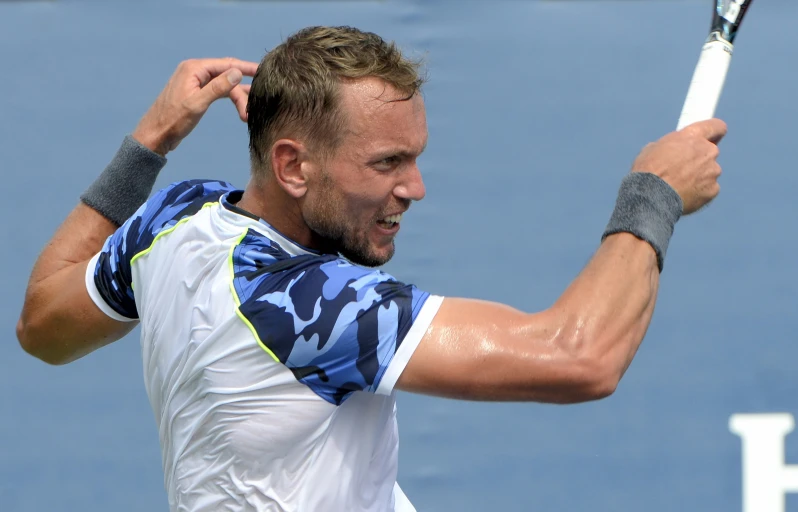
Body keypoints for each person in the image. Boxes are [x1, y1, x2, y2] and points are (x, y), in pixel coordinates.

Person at [16, 25, 726, 512]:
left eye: (415, 156)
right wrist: (654, 192)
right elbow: (582, 355)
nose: (414, 188)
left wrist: (151, 139)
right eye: (387, 163)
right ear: (293, 164)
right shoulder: (312, 308)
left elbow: (43, 325)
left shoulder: (174, 222)